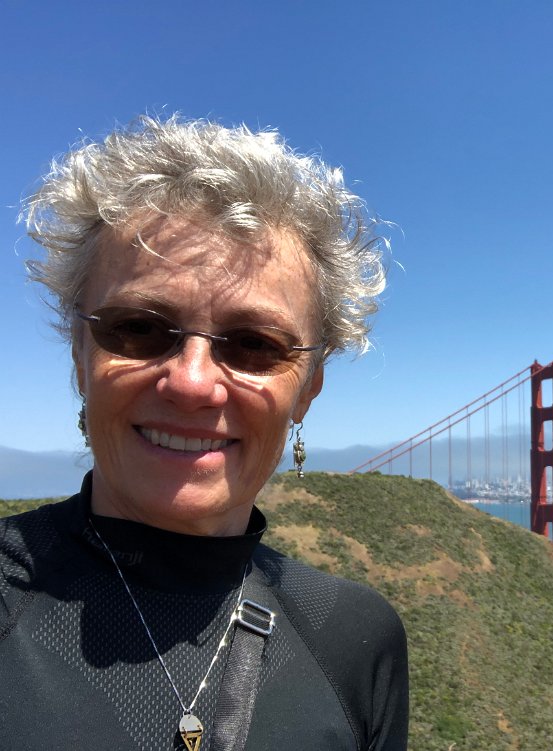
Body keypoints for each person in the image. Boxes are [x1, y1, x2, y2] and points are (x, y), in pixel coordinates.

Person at [0, 116, 408, 750]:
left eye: (254, 344)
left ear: (308, 387)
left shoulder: (356, 639)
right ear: (80, 354)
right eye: (138, 328)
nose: (192, 383)